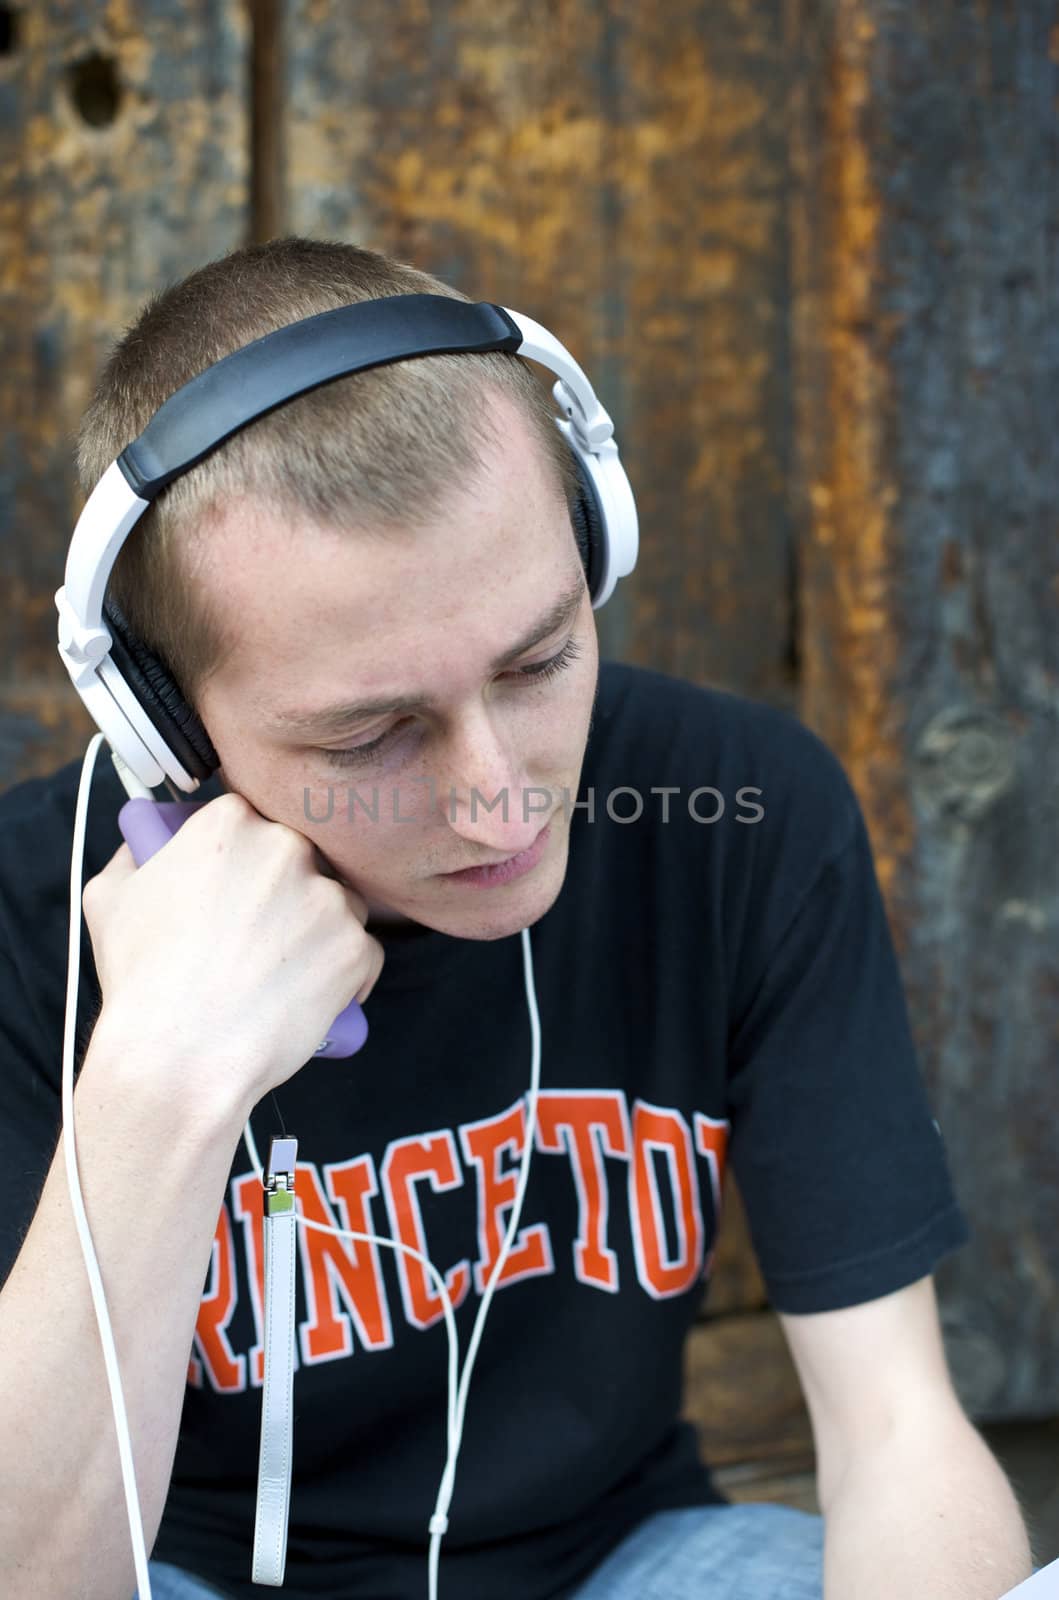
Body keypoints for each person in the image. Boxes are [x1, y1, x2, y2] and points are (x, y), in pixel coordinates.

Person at [0, 237, 1030, 1600]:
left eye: (541, 660)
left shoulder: (740, 809)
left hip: (623, 1561)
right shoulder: (31, 905)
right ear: (166, 721)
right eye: (372, 733)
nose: (500, 803)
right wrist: (155, 1081)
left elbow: (898, 1432)